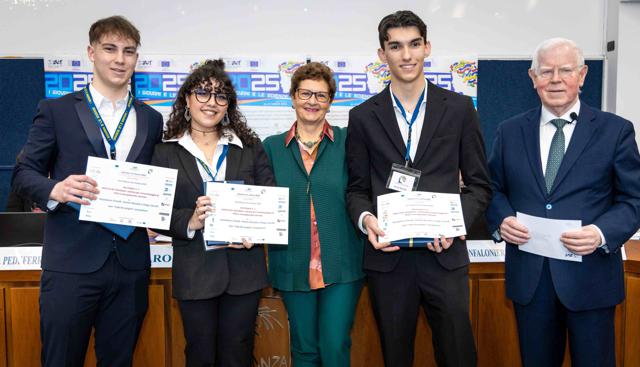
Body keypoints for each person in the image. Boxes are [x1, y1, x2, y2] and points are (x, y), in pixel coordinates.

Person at [11, 16, 163, 366]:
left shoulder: (151, 119)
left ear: (136, 58)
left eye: (128, 51)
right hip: (71, 265)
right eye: (110, 49)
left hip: (130, 265)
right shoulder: (57, 110)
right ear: (91, 53)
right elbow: (22, 173)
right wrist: (56, 189)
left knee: (119, 360)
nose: (119, 59)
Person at [345, 10, 491, 367]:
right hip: (388, 259)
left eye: (413, 45)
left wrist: (456, 223)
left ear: (427, 48)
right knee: (396, 356)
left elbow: (479, 185)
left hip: (445, 257)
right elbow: (356, 190)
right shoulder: (363, 116)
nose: (406, 55)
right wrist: (367, 221)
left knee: (458, 355)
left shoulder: (459, 109)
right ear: (382, 54)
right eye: (395, 46)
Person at [485, 38, 640, 367]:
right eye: (547, 71)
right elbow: (492, 189)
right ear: (533, 77)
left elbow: (633, 199)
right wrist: (501, 220)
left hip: (592, 280)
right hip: (531, 280)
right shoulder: (509, 131)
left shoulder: (616, 131)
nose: (555, 79)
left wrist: (600, 232)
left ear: (582, 75)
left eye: (566, 70)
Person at [151, 59, 274, 367]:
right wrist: (189, 221)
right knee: (200, 354)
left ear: (229, 105)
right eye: (203, 93)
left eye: (221, 96)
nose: (211, 102)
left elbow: (270, 199)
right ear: (187, 99)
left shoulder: (248, 146)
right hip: (195, 270)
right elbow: (153, 213)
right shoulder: (164, 151)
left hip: (244, 270)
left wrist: (256, 232)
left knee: (238, 352)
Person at [263, 62, 365, 367]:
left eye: (321, 96)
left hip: (342, 263)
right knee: (304, 350)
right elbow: (260, 200)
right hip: (292, 262)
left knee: (335, 346)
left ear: (330, 102)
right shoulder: (270, 147)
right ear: (293, 97)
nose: (312, 101)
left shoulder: (349, 142)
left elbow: (363, 191)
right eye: (305, 93)